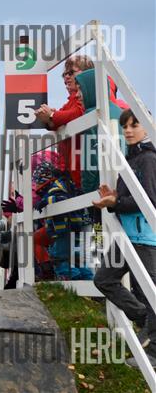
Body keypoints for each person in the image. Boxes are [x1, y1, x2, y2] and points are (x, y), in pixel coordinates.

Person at [92, 108, 156, 367]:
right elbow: (130, 198)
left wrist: (115, 203)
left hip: (145, 237)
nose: (128, 130)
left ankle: (154, 355)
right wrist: (114, 198)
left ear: (147, 126)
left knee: (151, 294)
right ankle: (145, 320)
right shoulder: (131, 159)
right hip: (127, 236)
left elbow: (148, 201)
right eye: (125, 126)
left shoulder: (148, 159)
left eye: (134, 125)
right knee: (104, 279)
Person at [35, 56, 89, 187]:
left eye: (71, 72)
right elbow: (61, 117)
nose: (66, 77)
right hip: (72, 170)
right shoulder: (70, 103)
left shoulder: (87, 97)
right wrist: (49, 119)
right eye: (64, 74)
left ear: (86, 73)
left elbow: (77, 113)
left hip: (83, 169)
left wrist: (51, 115)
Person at [75, 68, 125, 194]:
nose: (77, 95)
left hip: (101, 189)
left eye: (81, 89)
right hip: (124, 185)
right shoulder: (120, 112)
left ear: (92, 88)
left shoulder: (91, 116)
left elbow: (90, 162)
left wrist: (86, 191)